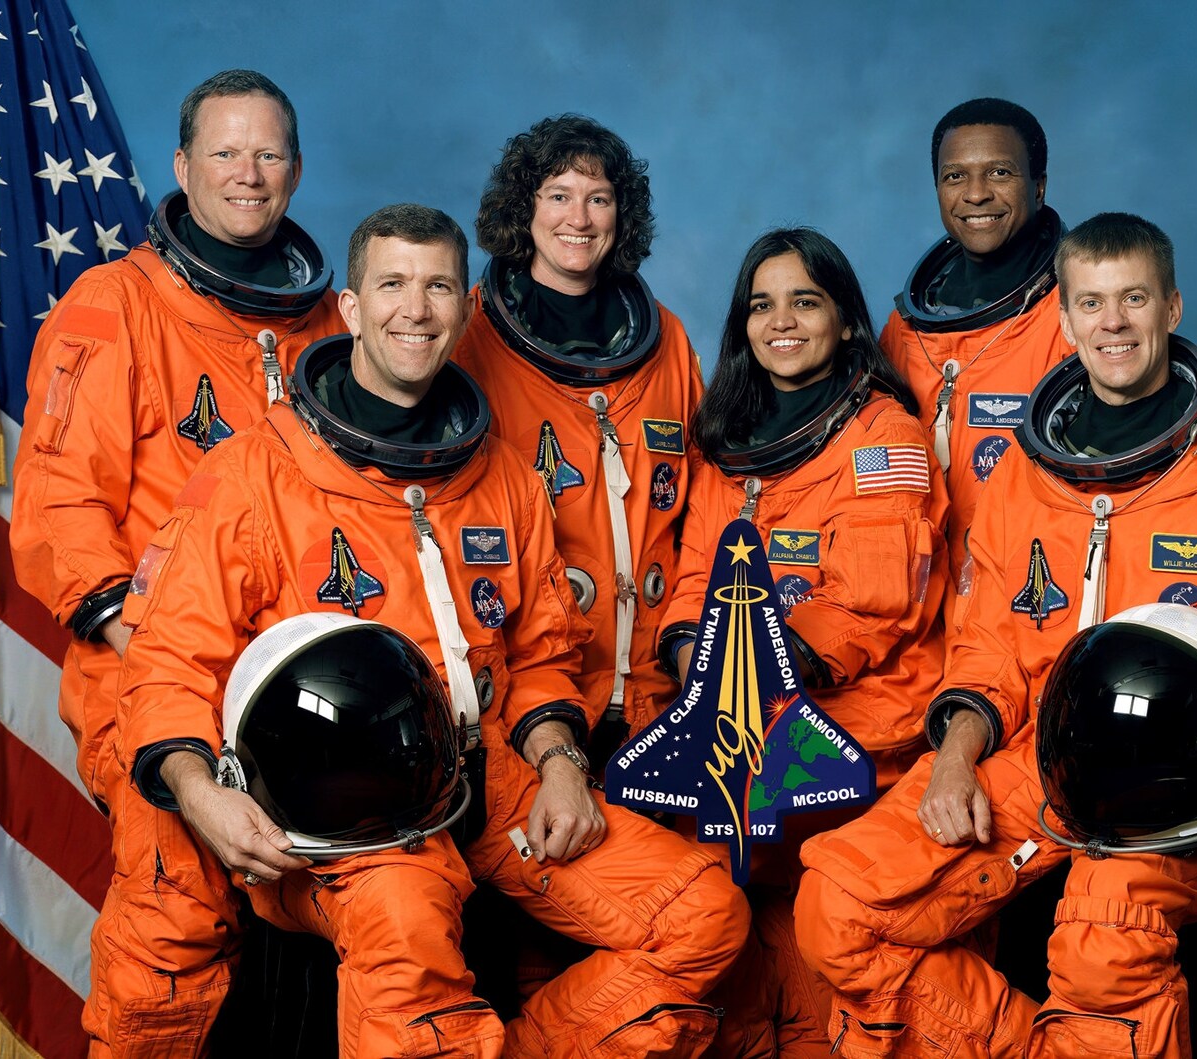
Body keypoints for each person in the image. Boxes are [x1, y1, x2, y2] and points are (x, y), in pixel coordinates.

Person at [113, 204, 748, 1058]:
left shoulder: (508, 481)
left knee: (703, 912)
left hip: (487, 775)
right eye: (393, 285)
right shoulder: (254, 473)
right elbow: (165, 663)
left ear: (464, 306)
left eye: (438, 285)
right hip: (341, 816)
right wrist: (201, 792)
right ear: (349, 308)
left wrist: (560, 761)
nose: (415, 308)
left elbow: (542, 656)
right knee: (410, 953)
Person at [795, 213, 1197, 1058]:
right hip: (1042, 758)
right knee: (838, 905)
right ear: (1063, 321)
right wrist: (954, 759)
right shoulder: (1025, 471)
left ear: (1172, 307)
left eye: (1133, 298)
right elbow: (987, 647)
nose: (1113, 323)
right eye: (1093, 303)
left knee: (1106, 928)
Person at [9, 68, 345, 1054]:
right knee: (178, 915)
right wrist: (158, 647)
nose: (249, 172)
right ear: (182, 166)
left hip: (299, 677)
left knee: (379, 908)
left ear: (295, 169)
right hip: (158, 674)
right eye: (227, 151)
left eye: (269, 152)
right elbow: (60, 508)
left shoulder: (327, 327)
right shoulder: (114, 303)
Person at [657, 227, 948, 1055]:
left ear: (848, 321)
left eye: (805, 301)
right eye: (762, 304)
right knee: (733, 957)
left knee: (830, 973)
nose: (781, 321)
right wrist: (699, 675)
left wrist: (749, 688)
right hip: (739, 731)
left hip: (860, 736)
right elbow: (690, 582)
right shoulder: (729, 437)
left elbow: (869, 604)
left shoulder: (884, 437)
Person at [455, 114, 702, 756]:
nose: (580, 219)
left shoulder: (667, 341)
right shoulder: (467, 341)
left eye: (599, 198)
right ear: (524, 209)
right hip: (536, 703)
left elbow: (703, 502)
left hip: (662, 690)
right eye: (558, 195)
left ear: (622, 214)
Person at [879, 98, 1076, 583]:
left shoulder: (1079, 315)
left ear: (1040, 186)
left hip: (1023, 593)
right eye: (955, 177)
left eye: (999, 173)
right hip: (918, 603)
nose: (976, 194)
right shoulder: (905, 328)